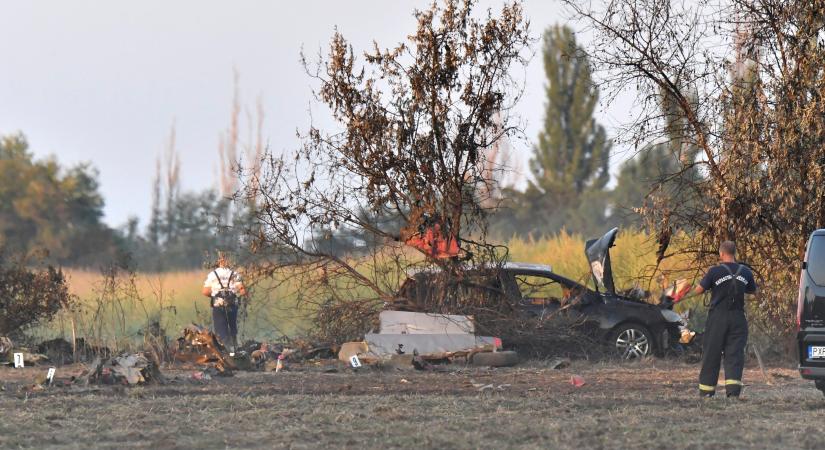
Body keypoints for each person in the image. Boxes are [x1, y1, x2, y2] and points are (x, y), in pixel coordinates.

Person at [690, 241, 757, 398]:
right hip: (738, 317)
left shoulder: (715, 271)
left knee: (711, 353)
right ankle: (733, 393)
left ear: (721, 253)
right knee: (735, 355)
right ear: (734, 253)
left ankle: (706, 392)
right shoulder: (746, 271)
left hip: (718, 317)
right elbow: (754, 292)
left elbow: (699, 291)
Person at [201, 253, 247, 351]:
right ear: (229, 261)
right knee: (232, 328)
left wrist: (214, 295)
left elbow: (205, 291)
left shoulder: (213, 274)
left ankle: (225, 352)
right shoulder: (235, 274)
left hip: (218, 304)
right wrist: (236, 296)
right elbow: (242, 291)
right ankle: (235, 350)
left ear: (218, 261)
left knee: (221, 331)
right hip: (232, 303)